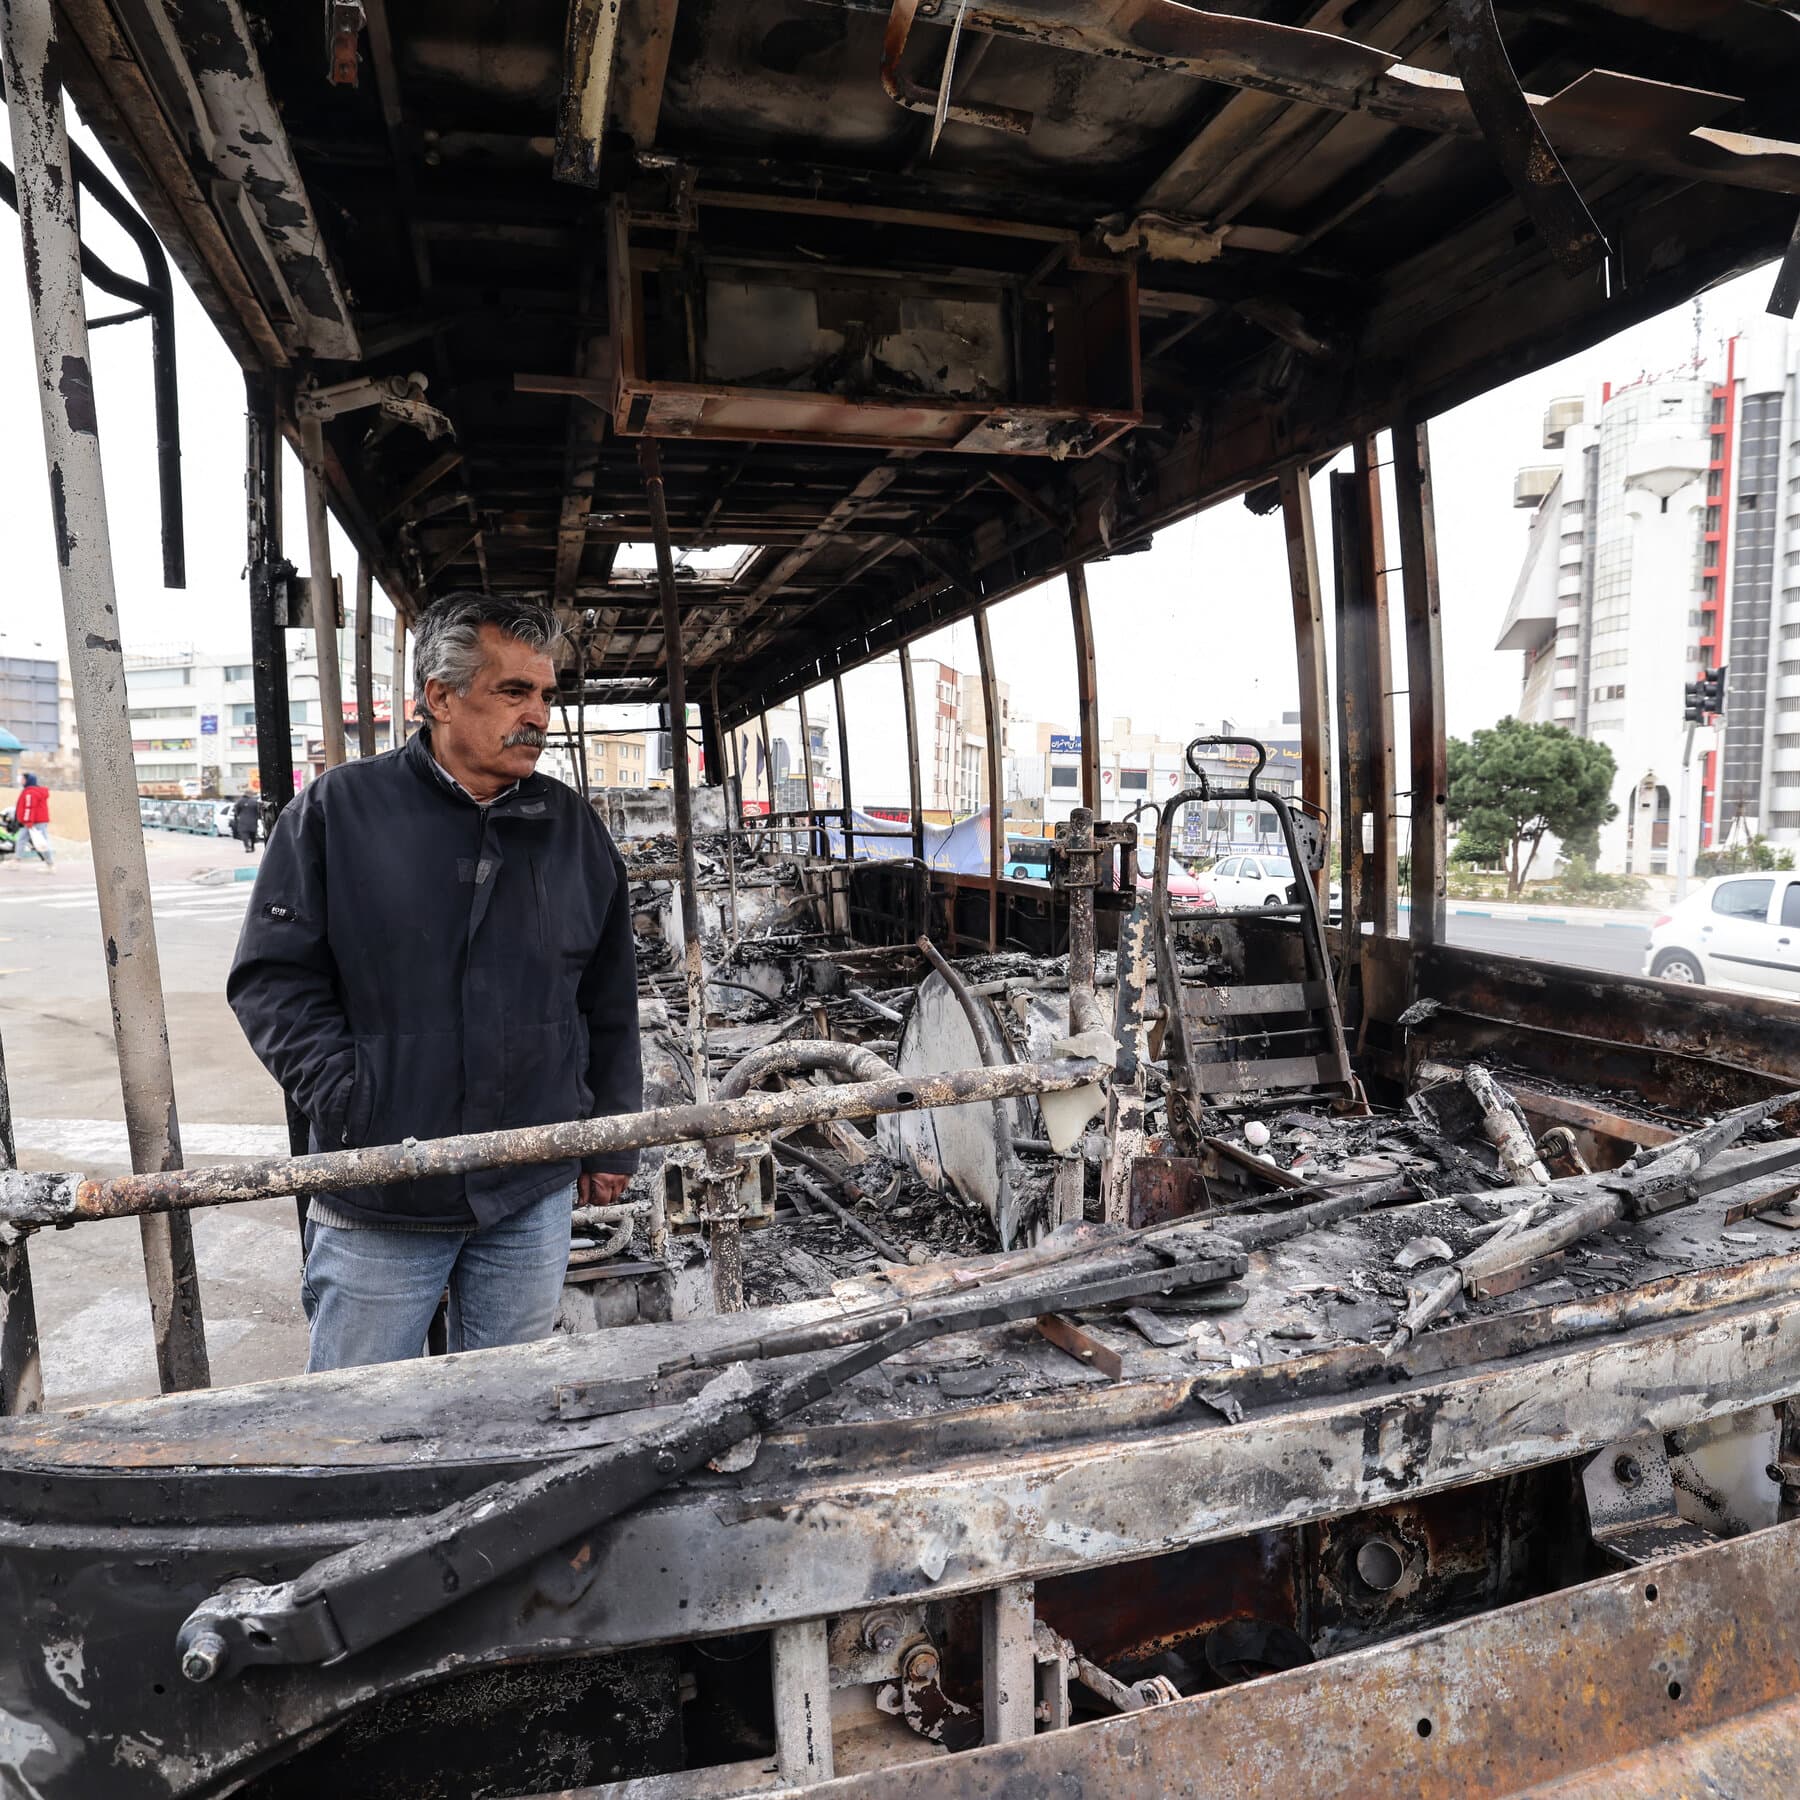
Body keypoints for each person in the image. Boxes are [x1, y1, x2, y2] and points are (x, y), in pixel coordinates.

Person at [229, 593, 643, 1373]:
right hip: (385, 1191)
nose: (540, 716)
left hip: (531, 1185)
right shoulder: (337, 814)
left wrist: (609, 1135)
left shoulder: (573, 829)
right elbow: (272, 981)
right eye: (514, 692)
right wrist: (354, 1099)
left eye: (546, 694)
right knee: (360, 1414)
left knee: (501, 1408)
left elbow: (608, 998)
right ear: (441, 698)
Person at [13, 774, 51, 868]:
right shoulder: (31, 790)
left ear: (28, 780)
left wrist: (29, 822)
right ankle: (16, 861)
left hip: (35, 822)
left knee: (41, 842)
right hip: (33, 821)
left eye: (23, 779)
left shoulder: (30, 792)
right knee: (21, 839)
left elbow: (30, 808)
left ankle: (50, 864)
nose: (21, 781)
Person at [229, 790, 260, 855]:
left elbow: (236, 811)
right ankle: (252, 846)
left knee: (244, 835)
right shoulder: (254, 801)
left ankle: (247, 847)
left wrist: (238, 817)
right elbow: (258, 811)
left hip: (243, 821)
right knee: (252, 835)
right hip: (253, 821)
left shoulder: (240, 801)